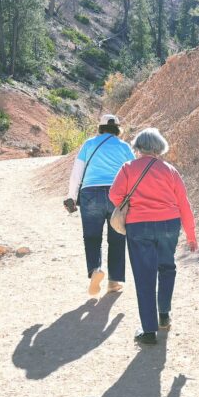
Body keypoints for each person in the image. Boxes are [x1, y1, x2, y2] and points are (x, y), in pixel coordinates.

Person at [109, 128, 197, 345]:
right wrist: (191, 235)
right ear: (159, 147)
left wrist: (134, 202)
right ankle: (164, 315)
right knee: (167, 267)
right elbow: (183, 203)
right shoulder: (170, 170)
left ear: (138, 147)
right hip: (169, 224)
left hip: (139, 226)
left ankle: (149, 331)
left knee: (144, 275)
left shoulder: (128, 168)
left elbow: (114, 195)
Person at [65, 114, 135, 296]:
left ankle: (95, 270)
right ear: (117, 129)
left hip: (90, 193)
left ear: (100, 128)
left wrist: (71, 196)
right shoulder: (124, 147)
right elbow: (134, 173)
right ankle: (114, 281)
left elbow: (76, 173)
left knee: (91, 237)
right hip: (116, 194)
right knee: (117, 237)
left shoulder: (89, 144)